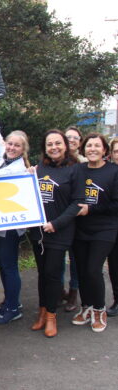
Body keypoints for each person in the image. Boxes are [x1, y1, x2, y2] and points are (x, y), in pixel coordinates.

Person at [29, 129, 82, 338]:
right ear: (45, 148)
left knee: (52, 273)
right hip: (38, 232)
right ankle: (42, 312)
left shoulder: (75, 169)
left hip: (60, 231)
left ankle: (51, 315)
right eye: (50, 144)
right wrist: (28, 178)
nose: (54, 147)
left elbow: (77, 203)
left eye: (58, 143)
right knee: (42, 274)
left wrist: (56, 224)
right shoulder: (38, 168)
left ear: (65, 145)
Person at [0, 102, 30, 324]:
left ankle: (13, 308)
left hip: (10, 227)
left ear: (23, 150)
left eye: (16, 146)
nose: (11, 147)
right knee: (3, 265)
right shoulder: (3, 157)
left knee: (9, 266)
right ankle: (10, 301)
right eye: (9, 143)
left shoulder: (21, 170)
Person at [71, 133, 118, 332]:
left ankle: (99, 309)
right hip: (80, 228)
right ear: (84, 149)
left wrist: (91, 209)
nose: (92, 149)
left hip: (105, 229)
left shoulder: (114, 171)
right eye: (89, 146)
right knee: (82, 270)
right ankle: (86, 307)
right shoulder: (77, 169)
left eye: (97, 146)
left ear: (104, 150)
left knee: (92, 269)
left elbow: (116, 204)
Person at [63, 125, 85, 311]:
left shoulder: (85, 163)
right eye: (68, 137)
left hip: (79, 219)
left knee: (76, 259)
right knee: (58, 259)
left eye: (75, 138)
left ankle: (73, 293)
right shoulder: (55, 160)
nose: (71, 140)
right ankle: (59, 291)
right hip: (60, 218)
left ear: (80, 142)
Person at [106, 137, 118, 317]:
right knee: (115, 265)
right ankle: (117, 300)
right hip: (113, 225)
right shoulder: (110, 172)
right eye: (116, 151)